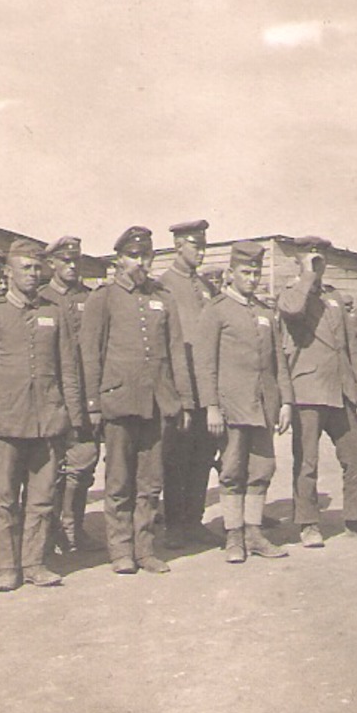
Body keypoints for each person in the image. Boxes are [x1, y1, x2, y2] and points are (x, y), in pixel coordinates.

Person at [0, 241, 86, 591]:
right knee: (4, 498)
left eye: (37, 268)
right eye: (26, 268)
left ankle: (34, 562)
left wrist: (74, 419)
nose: (33, 275)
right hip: (6, 423)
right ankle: (6, 566)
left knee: (42, 498)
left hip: (48, 420)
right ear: (8, 274)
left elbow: (69, 370)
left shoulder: (55, 312)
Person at [81, 226, 192, 574]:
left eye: (146, 256)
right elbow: (90, 355)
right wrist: (94, 405)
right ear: (119, 259)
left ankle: (145, 549)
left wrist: (184, 400)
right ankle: (121, 551)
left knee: (150, 481)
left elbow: (176, 352)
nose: (141, 262)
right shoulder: (103, 299)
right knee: (118, 481)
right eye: (134, 256)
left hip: (158, 402)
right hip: (119, 401)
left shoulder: (163, 298)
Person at [278, 237, 357, 546]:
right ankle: (307, 523)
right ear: (299, 262)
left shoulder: (334, 297)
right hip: (307, 389)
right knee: (307, 461)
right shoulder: (291, 294)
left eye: (322, 259)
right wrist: (307, 275)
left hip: (339, 389)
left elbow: (348, 343)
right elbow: (292, 311)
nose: (319, 264)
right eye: (311, 258)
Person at [195, 241, 294, 563]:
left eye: (256, 273)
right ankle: (233, 536)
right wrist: (211, 405)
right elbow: (205, 362)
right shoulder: (217, 309)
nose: (252, 279)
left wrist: (286, 403)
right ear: (231, 273)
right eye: (246, 273)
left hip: (263, 404)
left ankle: (254, 533)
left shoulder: (265, 312)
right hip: (232, 406)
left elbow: (279, 360)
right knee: (232, 469)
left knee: (262, 468)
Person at [157, 219, 220, 550]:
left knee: (202, 456)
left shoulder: (205, 287)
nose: (202, 251)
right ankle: (174, 525)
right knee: (176, 459)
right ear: (179, 246)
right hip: (181, 387)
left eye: (204, 245)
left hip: (206, 388)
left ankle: (193, 521)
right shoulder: (164, 286)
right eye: (196, 245)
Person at [40, 236, 101, 554]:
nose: (72, 266)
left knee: (84, 462)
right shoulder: (41, 298)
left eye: (76, 260)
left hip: (85, 391)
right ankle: (50, 532)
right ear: (51, 264)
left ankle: (73, 526)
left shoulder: (89, 298)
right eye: (65, 261)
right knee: (50, 468)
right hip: (52, 394)